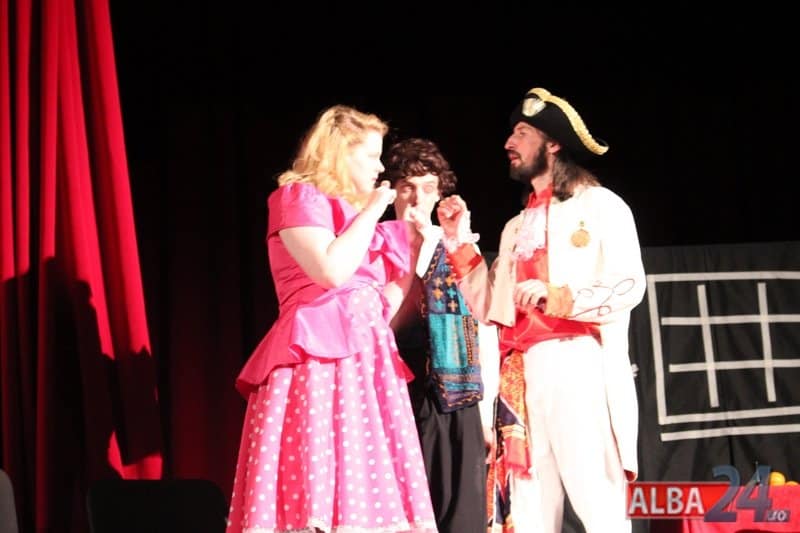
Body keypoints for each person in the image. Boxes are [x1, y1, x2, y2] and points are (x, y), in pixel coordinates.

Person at [437, 87, 646, 533]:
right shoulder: (516, 226)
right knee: (529, 504)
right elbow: (491, 307)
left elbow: (630, 285)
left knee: (596, 493)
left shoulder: (600, 205)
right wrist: (457, 240)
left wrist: (560, 295)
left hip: (576, 360)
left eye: (521, 133)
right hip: (522, 372)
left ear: (552, 143)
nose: (508, 143)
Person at [226, 105, 438, 533]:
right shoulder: (299, 198)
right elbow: (330, 271)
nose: (380, 168)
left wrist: (413, 245)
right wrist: (372, 212)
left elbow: (383, 308)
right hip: (316, 360)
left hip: (366, 366)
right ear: (341, 153)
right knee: (315, 485)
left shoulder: (363, 222)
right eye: (371, 156)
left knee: (366, 498)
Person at [380, 138, 500, 533]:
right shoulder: (373, 243)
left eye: (428, 188)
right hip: (394, 391)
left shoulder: (454, 244)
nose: (417, 197)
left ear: (439, 193)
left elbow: (484, 323)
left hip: (454, 397)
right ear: (392, 191)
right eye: (408, 187)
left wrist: (485, 415)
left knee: (460, 517)